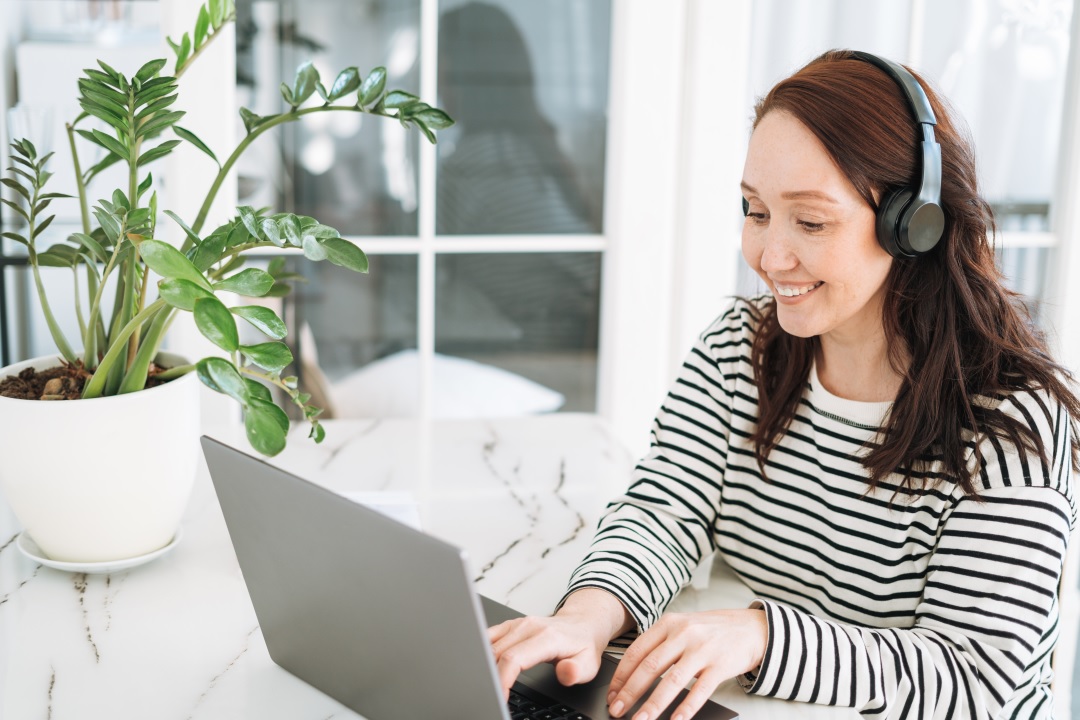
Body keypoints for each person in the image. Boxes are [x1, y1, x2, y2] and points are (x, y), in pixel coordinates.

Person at [488, 49, 1080, 720]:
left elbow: (977, 679)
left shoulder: (1009, 422)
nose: (770, 257)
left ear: (913, 225)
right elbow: (663, 509)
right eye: (755, 209)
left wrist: (761, 635)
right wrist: (587, 618)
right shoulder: (739, 348)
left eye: (811, 221)